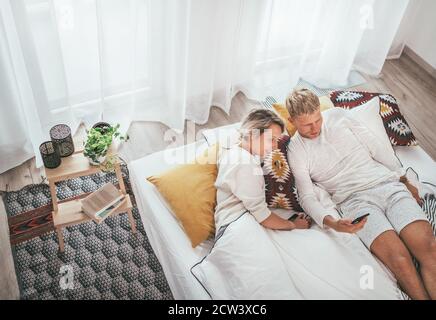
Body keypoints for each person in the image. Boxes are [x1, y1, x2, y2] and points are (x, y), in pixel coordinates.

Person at [214, 108, 403, 299]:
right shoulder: (244, 163)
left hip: (244, 222)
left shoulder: (235, 154)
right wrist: (292, 224)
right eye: (271, 140)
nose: (273, 147)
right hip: (237, 226)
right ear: (253, 133)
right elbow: (262, 215)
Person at [286, 88, 436, 300]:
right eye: (307, 125)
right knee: (400, 261)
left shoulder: (339, 115)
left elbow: (377, 149)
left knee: (428, 248)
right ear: (292, 121)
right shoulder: (296, 150)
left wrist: (404, 179)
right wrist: (333, 223)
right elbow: (306, 196)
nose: (315, 128)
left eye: (318, 119)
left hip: (387, 185)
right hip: (355, 202)